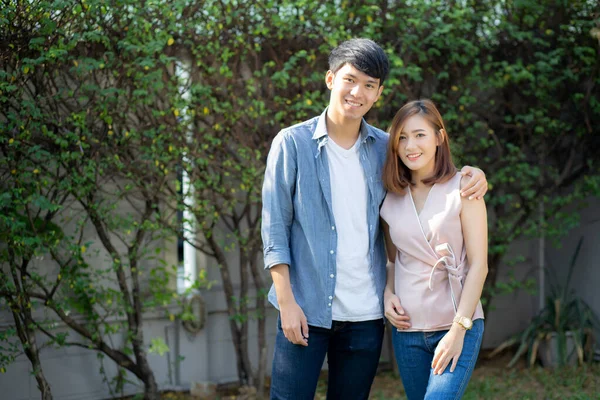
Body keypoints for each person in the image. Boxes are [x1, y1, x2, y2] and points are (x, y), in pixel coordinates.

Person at [261, 39, 487, 400]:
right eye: (351, 80)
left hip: (365, 316)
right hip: (306, 308)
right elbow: (275, 230)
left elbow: (427, 177)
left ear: (379, 93)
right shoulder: (292, 144)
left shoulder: (386, 148)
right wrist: (287, 303)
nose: (358, 92)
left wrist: (473, 174)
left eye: (369, 85)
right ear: (331, 78)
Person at [380, 99, 488, 399]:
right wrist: (388, 295)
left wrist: (458, 330)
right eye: (401, 137)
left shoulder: (465, 187)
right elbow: (392, 260)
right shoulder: (390, 198)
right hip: (407, 330)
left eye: (419, 135)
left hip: (457, 323)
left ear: (439, 138)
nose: (410, 145)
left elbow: (480, 265)